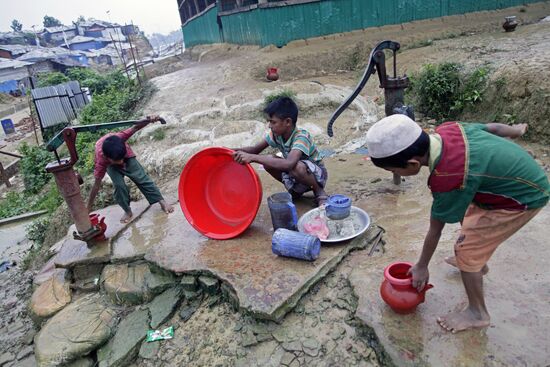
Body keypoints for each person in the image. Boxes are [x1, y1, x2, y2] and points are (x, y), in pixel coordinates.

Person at [365, 114, 549, 333]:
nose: (395, 174)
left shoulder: (448, 176)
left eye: (394, 170)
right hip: (514, 178)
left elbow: (436, 229)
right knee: (468, 217)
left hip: (523, 197)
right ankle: (478, 264)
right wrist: (515, 130)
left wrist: (422, 266)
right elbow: (492, 127)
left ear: (413, 163)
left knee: (466, 250)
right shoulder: (449, 130)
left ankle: (477, 313)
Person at [232, 97, 328, 206]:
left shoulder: (301, 137)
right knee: (268, 163)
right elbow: (254, 150)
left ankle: (319, 191)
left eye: (273, 122)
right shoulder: (277, 135)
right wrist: (228, 150)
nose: (270, 126)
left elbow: (289, 164)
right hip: (295, 175)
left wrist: (253, 158)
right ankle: (295, 191)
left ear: (287, 122)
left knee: (296, 166)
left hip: (317, 176)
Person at [87, 116, 174, 223]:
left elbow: (136, 127)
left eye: (122, 160)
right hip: (111, 164)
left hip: (126, 155)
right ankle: (127, 211)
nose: (121, 163)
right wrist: (88, 208)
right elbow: (96, 184)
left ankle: (161, 202)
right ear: (107, 158)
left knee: (142, 178)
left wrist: (150, 119)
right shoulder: (101, 161)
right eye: (118, 161)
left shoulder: (121, 137)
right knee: (119, 186)